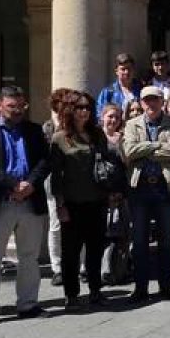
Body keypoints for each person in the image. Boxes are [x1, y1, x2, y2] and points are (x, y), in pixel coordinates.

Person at [0, 86, 50, 329]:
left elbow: (45, 161)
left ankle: (27, 304)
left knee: (29, 257)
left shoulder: (34, 131)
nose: (17, 111)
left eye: (21, 106)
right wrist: (13, 185)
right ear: (0, 107)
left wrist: (30, 185)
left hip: (29, 201)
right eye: (11, 106)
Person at [50, 91, 122, 311]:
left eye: (87, 108)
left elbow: (107, 166)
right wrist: (60, 205)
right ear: (70, 111)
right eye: (79, 108)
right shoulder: (60, 138)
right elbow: (55, 175)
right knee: (70, 252)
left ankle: (95, 291)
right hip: (72, 203)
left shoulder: (97, 135)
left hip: (97, 200)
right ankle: (71, 295)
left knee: (95, 249)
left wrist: (111, 192)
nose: (84, 112)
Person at [121, 87, 170, 304]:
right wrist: (157, 145)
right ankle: (140, 288)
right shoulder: (131, 124)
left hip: (164, 188)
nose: (151, 104)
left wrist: (144, 149)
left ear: (162, 101)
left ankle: (165, 285)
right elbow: (129, 152)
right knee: (139, 241)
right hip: (139, 189)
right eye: (147, 100)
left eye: (155, 100)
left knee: (165, 240)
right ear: (141, 102)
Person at [96, 53, 141, 117]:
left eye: (129, 68)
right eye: (123, 69)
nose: (126, 72)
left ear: (133, 70)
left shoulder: (141, 89)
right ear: (116, 71)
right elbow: (100, 114)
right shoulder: (108, 92)